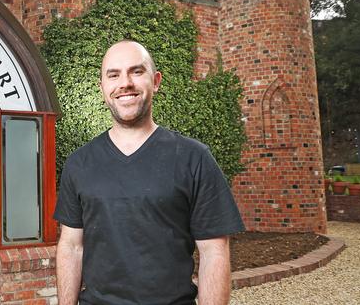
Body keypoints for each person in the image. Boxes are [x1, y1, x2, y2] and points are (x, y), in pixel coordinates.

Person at [53, 40, 245, 305]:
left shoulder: (194, 158)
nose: (125, 83)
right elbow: (71, 246)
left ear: (155, 81)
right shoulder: (79, 163)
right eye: (114, 75)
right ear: (103, 89)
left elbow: (214, 251)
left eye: (136, 71)